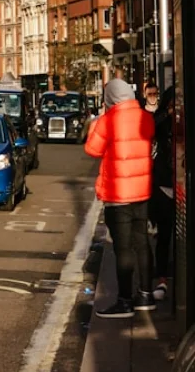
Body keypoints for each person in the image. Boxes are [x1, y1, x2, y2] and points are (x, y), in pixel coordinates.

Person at [86, 78, 156, 318]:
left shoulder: (108, 121)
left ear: (110, 99)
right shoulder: (145, 117)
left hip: (118, 194)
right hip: (142, 190)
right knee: (142, 244)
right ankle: (146, 294)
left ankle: (125, 301)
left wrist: (96, 123)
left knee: (123, 249)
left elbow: (92, 149)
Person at [149, 85, 176, 301]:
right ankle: (162, 274)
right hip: (164, 183)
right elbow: (151, 128)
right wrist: (166, 115)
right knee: (165, 234)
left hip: (178, 181)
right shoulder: (162, 121)